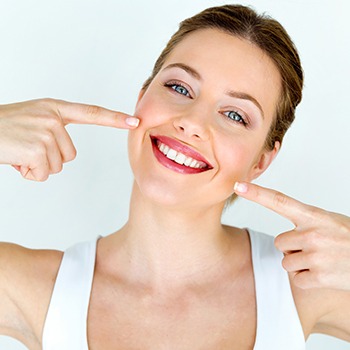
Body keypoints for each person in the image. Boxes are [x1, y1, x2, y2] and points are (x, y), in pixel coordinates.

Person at [0, 4, 349, 350]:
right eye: (180, 88)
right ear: (142, 97)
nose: (193, 122)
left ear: (261, 160)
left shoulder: (304, 285)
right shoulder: (37, 288)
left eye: (234, 115)